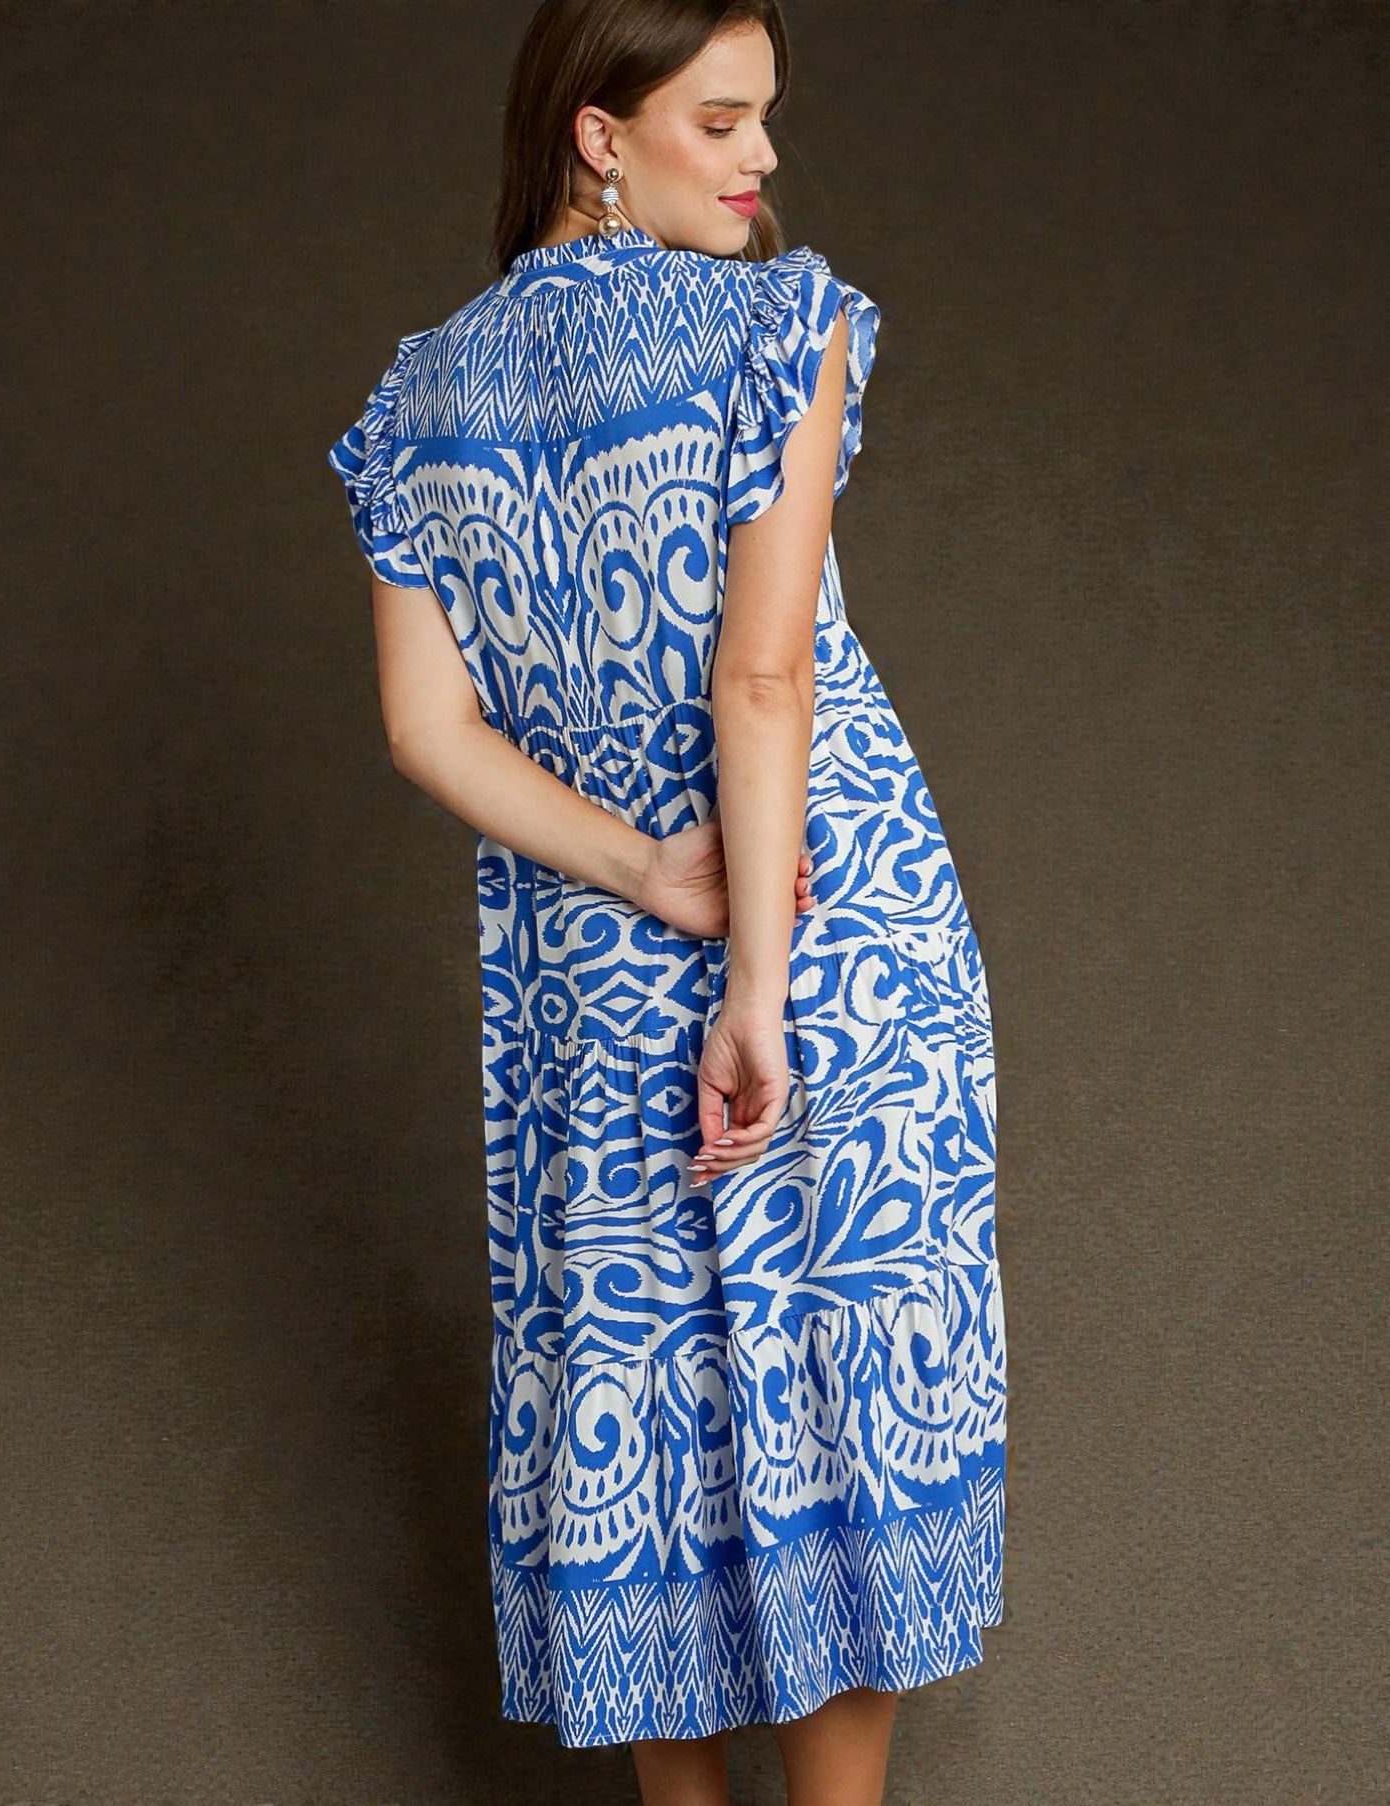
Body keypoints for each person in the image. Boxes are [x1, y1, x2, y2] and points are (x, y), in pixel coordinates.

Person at [327, 2, 1006, 1800]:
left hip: (582, 979)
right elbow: (761, 682)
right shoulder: (778, 328)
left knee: (649, 1431)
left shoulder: (420, 400)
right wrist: (758, 985)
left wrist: (633, 871)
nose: (763, 158)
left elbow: (422, 728)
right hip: (826, 942)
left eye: (764, 118)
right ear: (594, 135)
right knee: (820, 1402)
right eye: (721, 121)